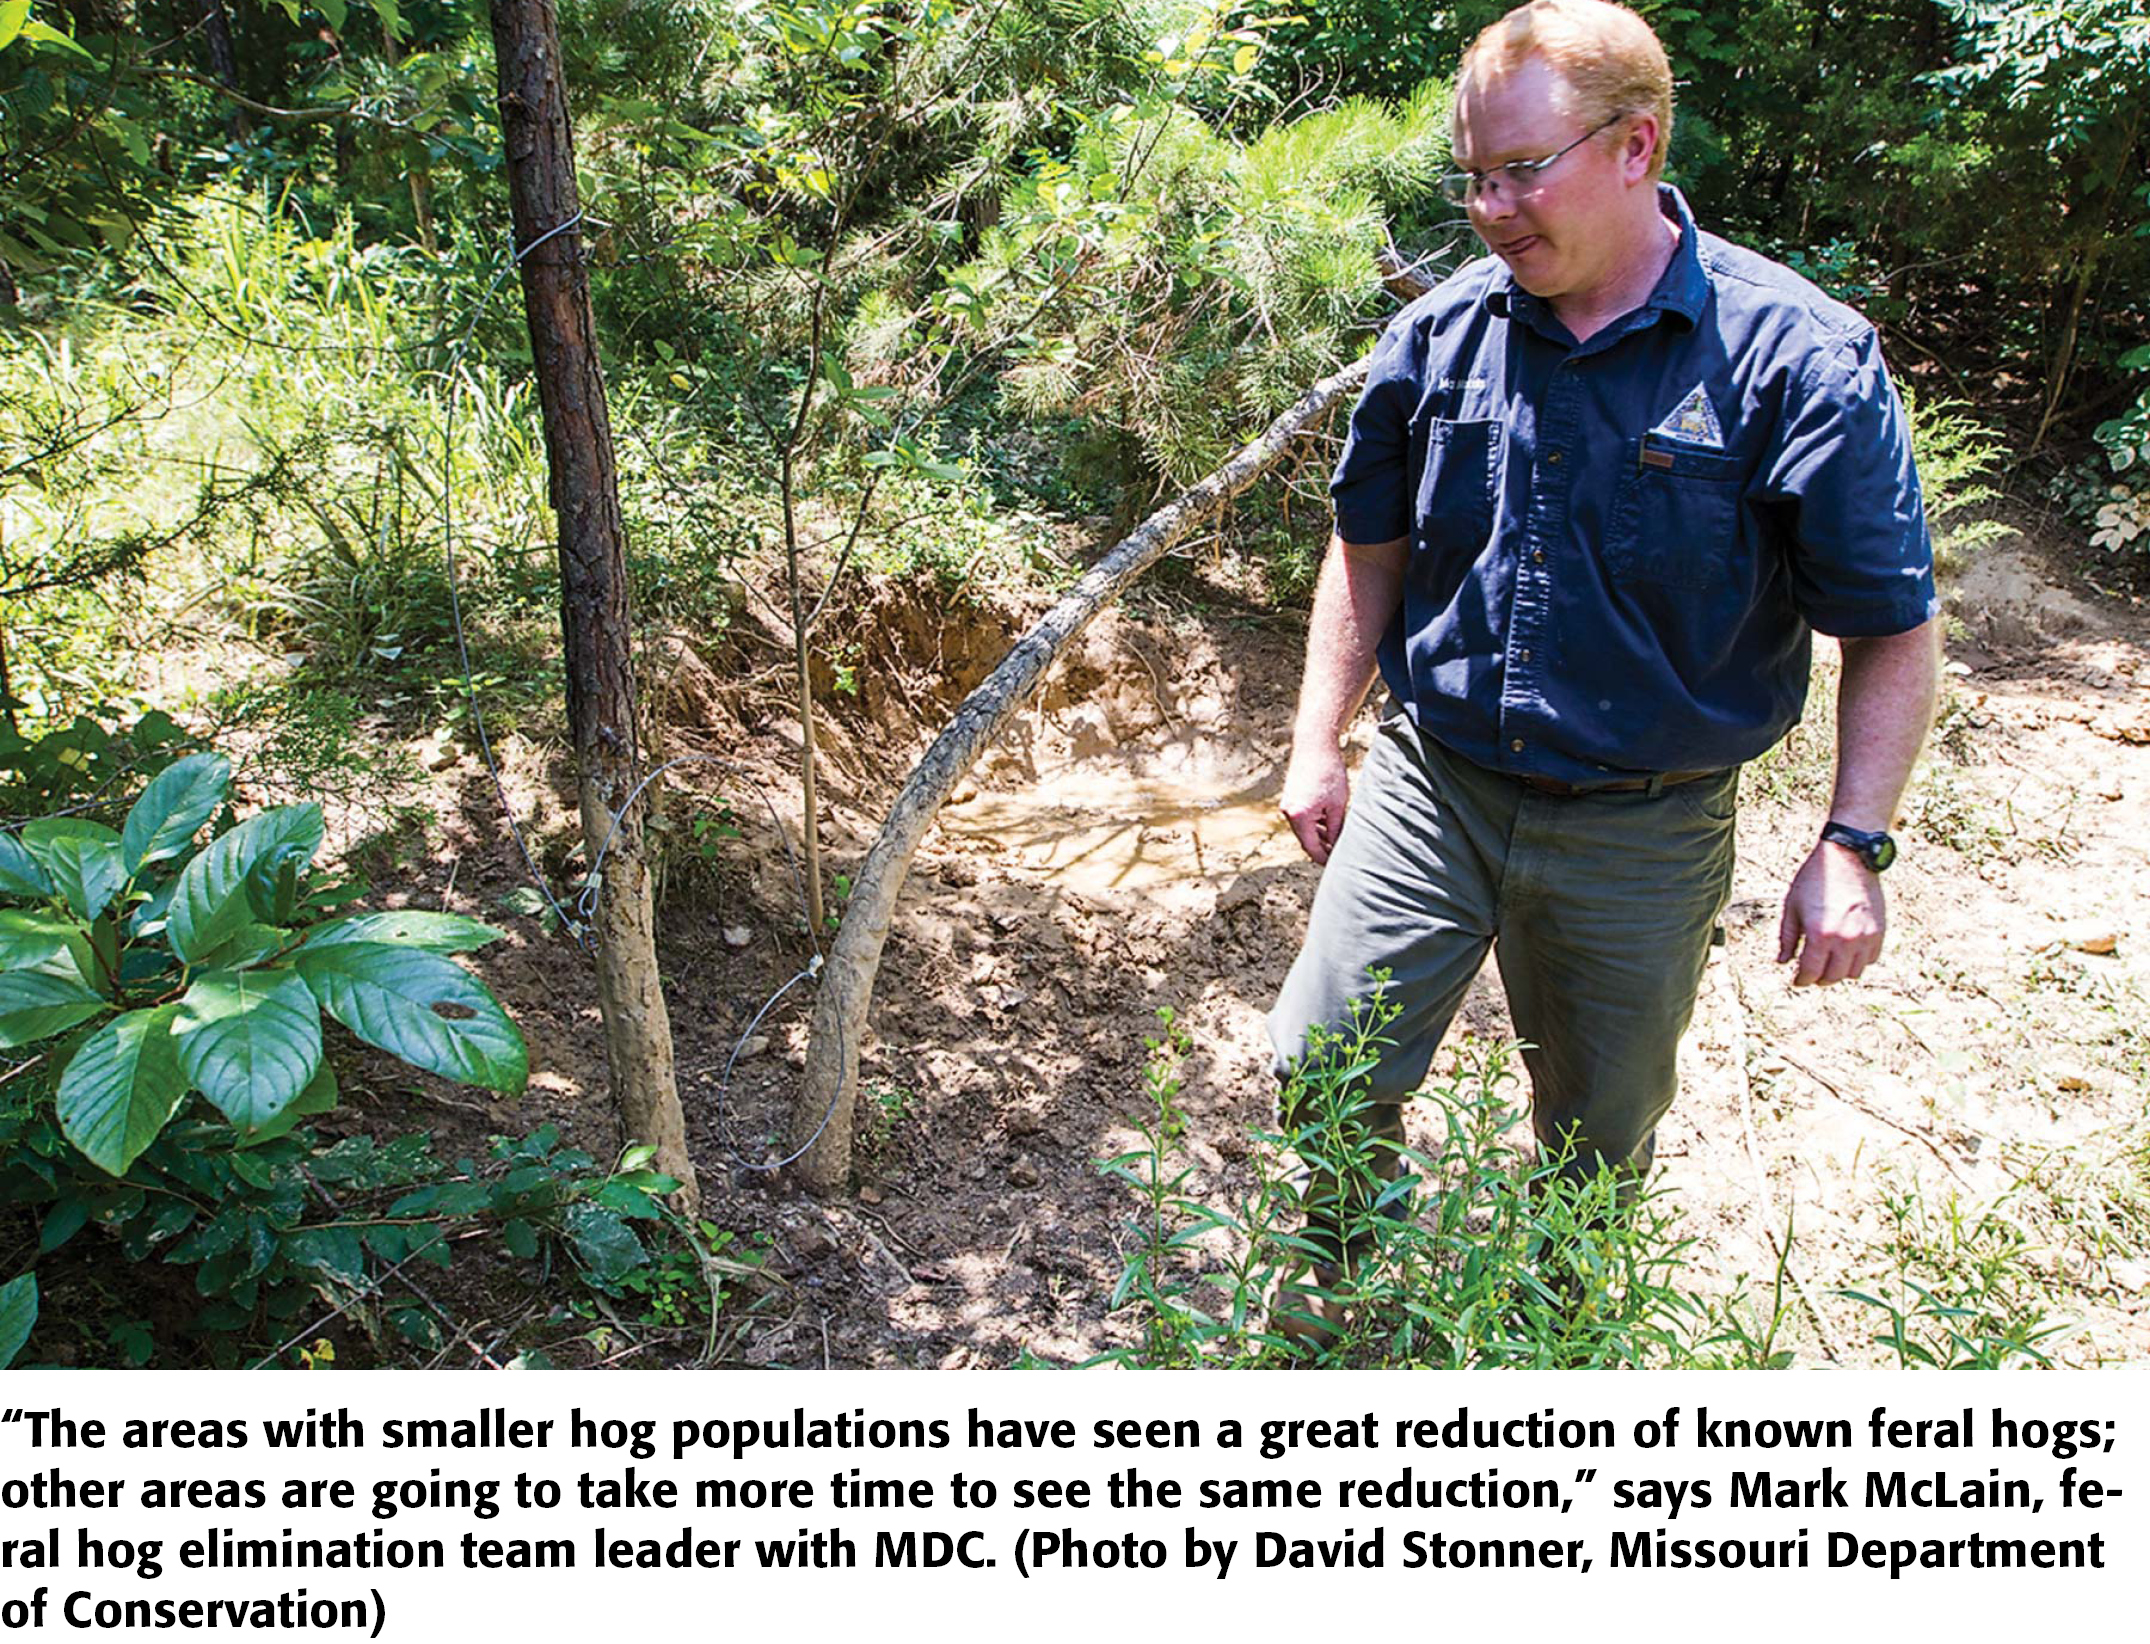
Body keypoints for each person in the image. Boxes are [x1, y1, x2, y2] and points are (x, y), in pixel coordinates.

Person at [1265, 0, 1941, 1339]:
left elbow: (1891, 624)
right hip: (1435, 778)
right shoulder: (1441, 336)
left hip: (1644, 819)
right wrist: (1313, 737)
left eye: (1522, 170)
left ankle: (1550, 1352)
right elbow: (1367, 550)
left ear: (1635, 148)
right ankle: (1341, 1308)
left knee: (1597, 1139)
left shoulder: (1791, 358)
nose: (1488, 208)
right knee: (1320, 1064)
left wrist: (1851, 841)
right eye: (1470, 176)